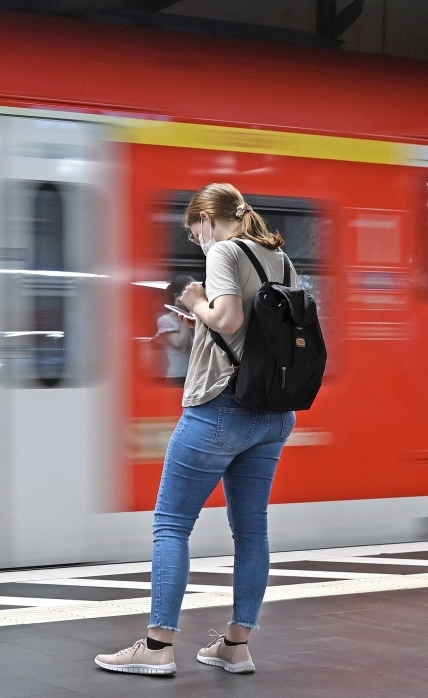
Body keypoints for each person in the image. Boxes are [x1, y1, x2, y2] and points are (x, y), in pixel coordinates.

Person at [95, 183, 299, 677]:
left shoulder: (225, 251)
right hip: (272, 415)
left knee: (172, 524)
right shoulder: (281, 259)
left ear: (208, 218)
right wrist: (205, 314)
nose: (197, 242)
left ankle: (157, 646)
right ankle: (236, 644)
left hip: (220, 409)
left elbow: (227, 320)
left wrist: (197, 298)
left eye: (194, 232)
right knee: (252, 530)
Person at [156, 275, 197, 385]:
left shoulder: (195, 318)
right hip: (177, 378)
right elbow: (181, 345)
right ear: (177, 296)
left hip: (194, 378)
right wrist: (182, 312)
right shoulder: (165, 321)